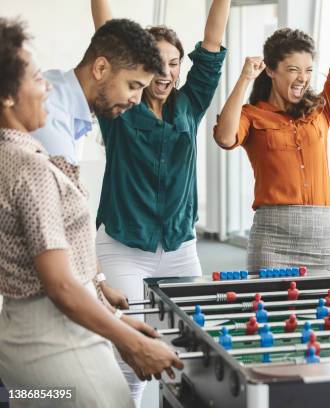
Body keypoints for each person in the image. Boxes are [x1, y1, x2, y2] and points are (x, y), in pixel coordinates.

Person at [0, 18, 182, 408]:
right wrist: (129, 341)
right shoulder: (37, 156)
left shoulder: (18, 151)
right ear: (8, 98)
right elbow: (60, 284)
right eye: (36, 79)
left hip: (26, 343)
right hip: (52, 339)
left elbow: (61, 232)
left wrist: (102, 294)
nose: (47, 86)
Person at [90, 0, 230, 405]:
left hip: (180, 250)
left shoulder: (190, 103)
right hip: (123, 249)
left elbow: (213, 45)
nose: (165, 72)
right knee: (131, 357)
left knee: (191, 355)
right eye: (156, 63)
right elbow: (106, 34)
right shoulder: (119, 108)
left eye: (173, 63)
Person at [214, 0, 330, 272]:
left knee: (325, 312)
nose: (303, 77)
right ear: (271, 71)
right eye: (293, 69)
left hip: (321, 238)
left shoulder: (322, 109)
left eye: (308, 70)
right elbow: (225, 137)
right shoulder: (252, 115)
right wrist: (244, 78)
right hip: (272, 240)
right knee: (272, 314)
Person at [31, 14, 166, 309]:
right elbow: (64, 230)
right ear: (101, 67)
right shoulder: (51, 118)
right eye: (133, 85)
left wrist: (100, 281)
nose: (136, 99)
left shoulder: (66, 95)